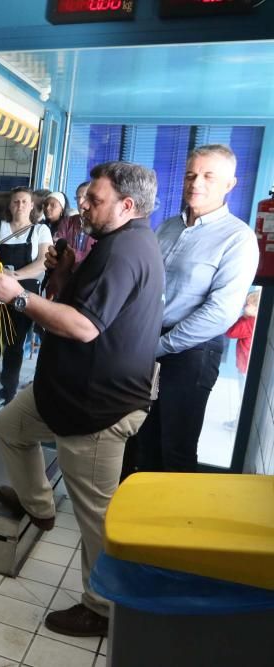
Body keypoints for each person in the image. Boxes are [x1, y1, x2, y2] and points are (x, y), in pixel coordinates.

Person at [0, 161, 164, 638]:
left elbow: (85, 327)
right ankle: (39, 506)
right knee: (10, 427)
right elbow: (83, 307)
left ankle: (103, 607)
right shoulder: (111, 245)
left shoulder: (125, 252)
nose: (82, 204)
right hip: (62, 393)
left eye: (95, 200)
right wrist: (65, 275)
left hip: (97, 410)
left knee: (95, 517)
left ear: (127, 206)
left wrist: (17, 295)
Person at [126, 144, 260, 474]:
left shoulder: (238, 238)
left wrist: (159, 346)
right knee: (140, 435)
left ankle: (174, 523)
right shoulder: (167, 227)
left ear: (230, 184)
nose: (195, 182)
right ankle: (135, 517)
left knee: (176, 446)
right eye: (190, 174)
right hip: (147, 341)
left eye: (208, 176)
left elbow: (221, 311)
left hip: (192, 353)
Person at [0, 187, 52, 403]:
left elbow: (42, 263)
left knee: (15, 342)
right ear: (10, 205)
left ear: (32, 206)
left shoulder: (41, 231)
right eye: (15, 202)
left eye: (24, 202)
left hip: (23, 291)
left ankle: (8, 391)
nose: (19, 205)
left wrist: (15, 275)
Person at [51, 181, 95, 270]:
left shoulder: (100, 225)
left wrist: (71, 255)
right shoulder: (67, 222)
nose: (80, 202)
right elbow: (59, 247)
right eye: (78, 198)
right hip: (65, 273)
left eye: (85, 197)